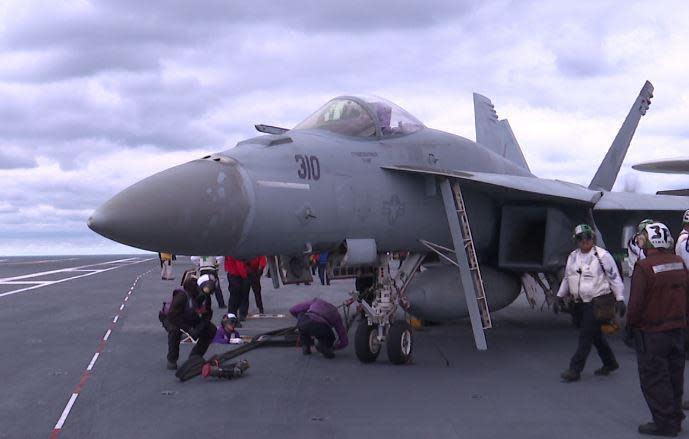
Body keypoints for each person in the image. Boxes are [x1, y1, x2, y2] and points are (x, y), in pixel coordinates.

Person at [626, 221, 689, 437]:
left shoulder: (644, 268)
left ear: (650, 240)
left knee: (655, 379)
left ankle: (665, 424)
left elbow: (635, 304)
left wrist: (629, 327)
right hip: (679, 331)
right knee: (675, 376)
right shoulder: (679, 262)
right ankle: (676, 419)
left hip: (653, 334)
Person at [556, 224, 626, 382]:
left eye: (588, 237)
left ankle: (575, 369)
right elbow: (567, 279)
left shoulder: (603, 256)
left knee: (585, 336)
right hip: (579, 304)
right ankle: (610, 362)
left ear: (593, 238)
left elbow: (615, 279)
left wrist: (620, 299)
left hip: (597, 303)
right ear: (576, 241)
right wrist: (559, 297)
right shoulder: (573, 257)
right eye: (581, 238)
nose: (585, 241)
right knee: (595, 335)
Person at [164, 274, 217, 370]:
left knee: (211, 329)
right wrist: (189, 329)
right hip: (171, 317)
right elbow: (172, 316)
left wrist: (199, 329)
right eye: (207, 287)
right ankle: (172, 359)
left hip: (189, 316)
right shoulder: (182, 295)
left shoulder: (206, 297)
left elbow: (207, 315)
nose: (208, 291)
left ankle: (195, 356)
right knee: (175, 330)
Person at [224, 256, 251, 322]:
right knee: (238, 297)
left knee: (234, 296)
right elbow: (239, 264)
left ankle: (233, 315)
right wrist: (245, 276)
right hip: (237, 275)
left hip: (232, 273)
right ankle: (235, 316)